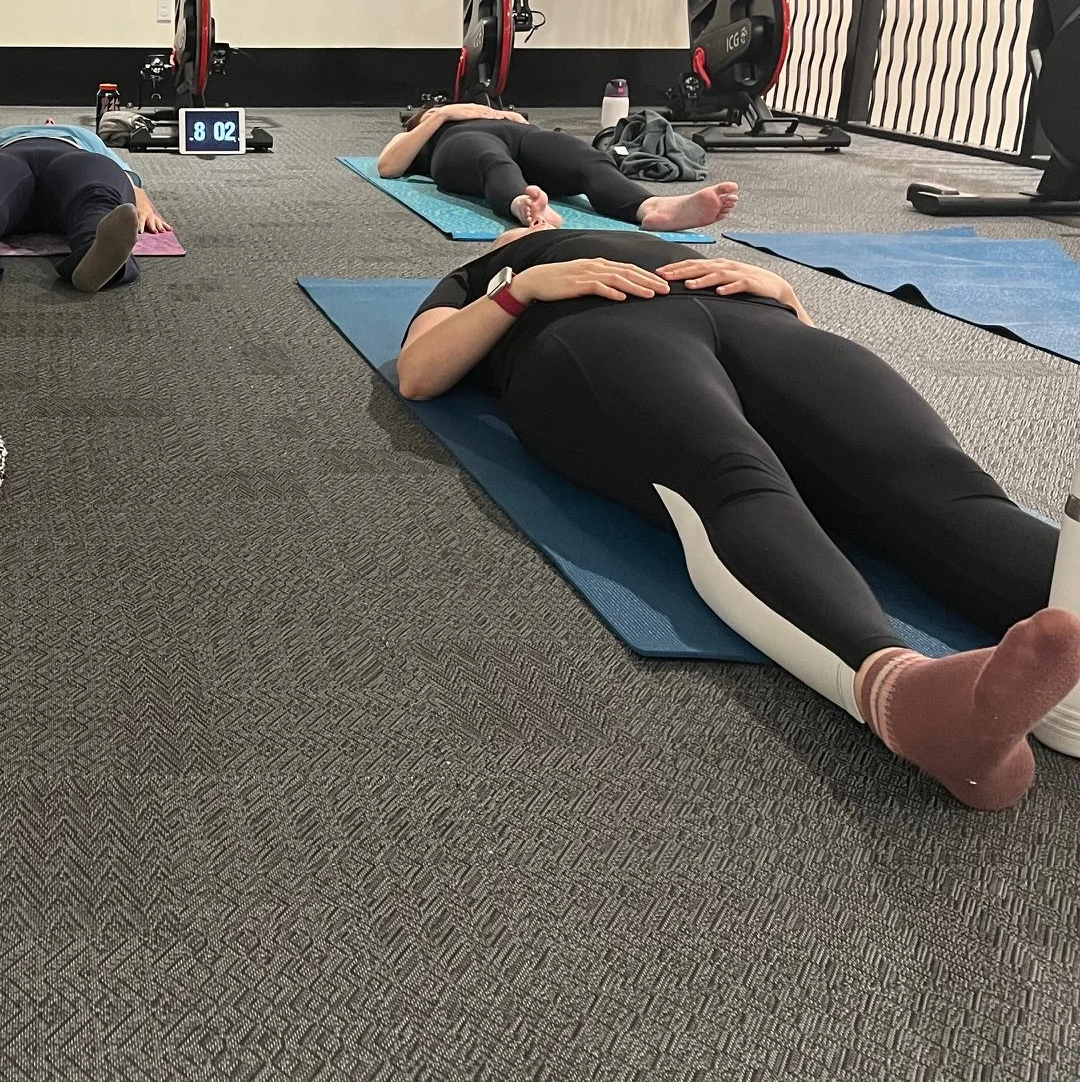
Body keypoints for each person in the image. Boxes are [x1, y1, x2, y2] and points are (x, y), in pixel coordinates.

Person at [394, 227, 1080, 811]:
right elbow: (420, 371)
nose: (538, 206)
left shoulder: (649, 240)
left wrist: (783, 295)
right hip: (594, 334)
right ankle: (909, 703)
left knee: (936, 481)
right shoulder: (482, 274)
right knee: (734, 479)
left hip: (753, 315)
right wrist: (521, 287)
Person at [377, 102, 738, 232]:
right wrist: (441, 116)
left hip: (520, 133)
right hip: (461, 144)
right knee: (493, 162)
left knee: (587, 158)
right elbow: (388, 166)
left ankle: (654, 207)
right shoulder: (433, 126)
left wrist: (505, 115)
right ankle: (525, 206)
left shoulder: (494, 111)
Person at [0, 121, 169, 293]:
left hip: (70, 161)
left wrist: (140, 202)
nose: (47, 122)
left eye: (50, 122)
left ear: (54, 123)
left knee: (97, 195)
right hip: (9, 161)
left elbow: (124, 173)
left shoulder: (84, 136)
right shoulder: (1, 135)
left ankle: (96, 261)